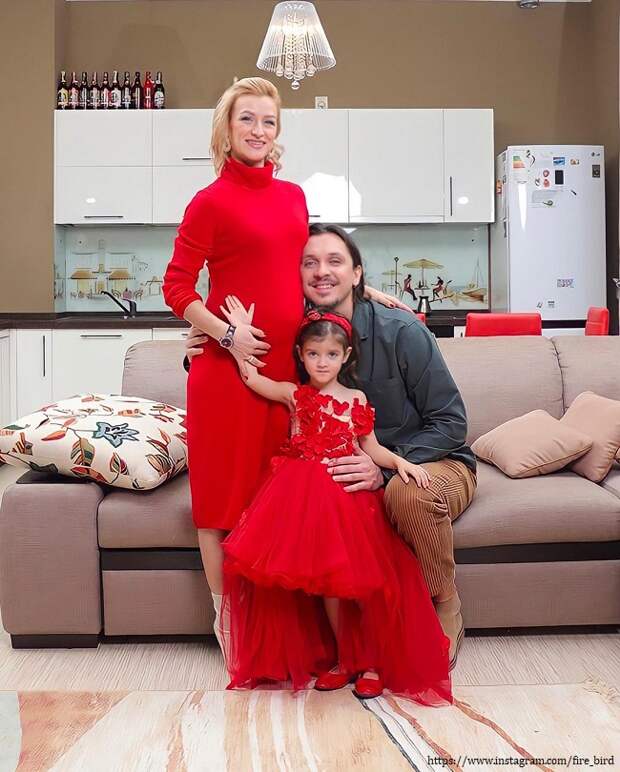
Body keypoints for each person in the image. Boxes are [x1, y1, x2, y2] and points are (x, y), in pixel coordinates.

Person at [163, 78, 410, 659]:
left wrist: (364, 291)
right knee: (221, 505)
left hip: (284, 370)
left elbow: (302, 269)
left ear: (277, 133)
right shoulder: (208, 201)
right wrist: (223, 333)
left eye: (268, 121)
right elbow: (176, 287)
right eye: (246, 119)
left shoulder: (293, 197)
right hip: (227, 373)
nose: (257, 130)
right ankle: (229, 626)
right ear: (227, 129)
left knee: (272, 501)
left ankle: (280, 631)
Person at [185, 223, 477, 669]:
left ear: (357, 273)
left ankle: (445, 602)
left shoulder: (401, 330)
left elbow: (451, 423)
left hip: (428, 460)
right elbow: (246, 366)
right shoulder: (299, 334)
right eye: (310, 263)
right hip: (337, 468)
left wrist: (384, 469)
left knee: (406, 494)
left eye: (335, 262)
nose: (322, 271)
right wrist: (201, 346)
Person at [218, 298, 451, 704]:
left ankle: (372, 663)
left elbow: (371, 448)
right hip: (301, 501)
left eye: (330, 354)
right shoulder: (295, 394)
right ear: (300, 355)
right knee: (327, 586)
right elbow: (252, 378)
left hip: (348, 500)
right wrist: (236, 334)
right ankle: (344, 659)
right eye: (313, 354)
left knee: (363, 584)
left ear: (345, 356)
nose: (321, 362)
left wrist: (402, 463)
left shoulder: (356, 399)